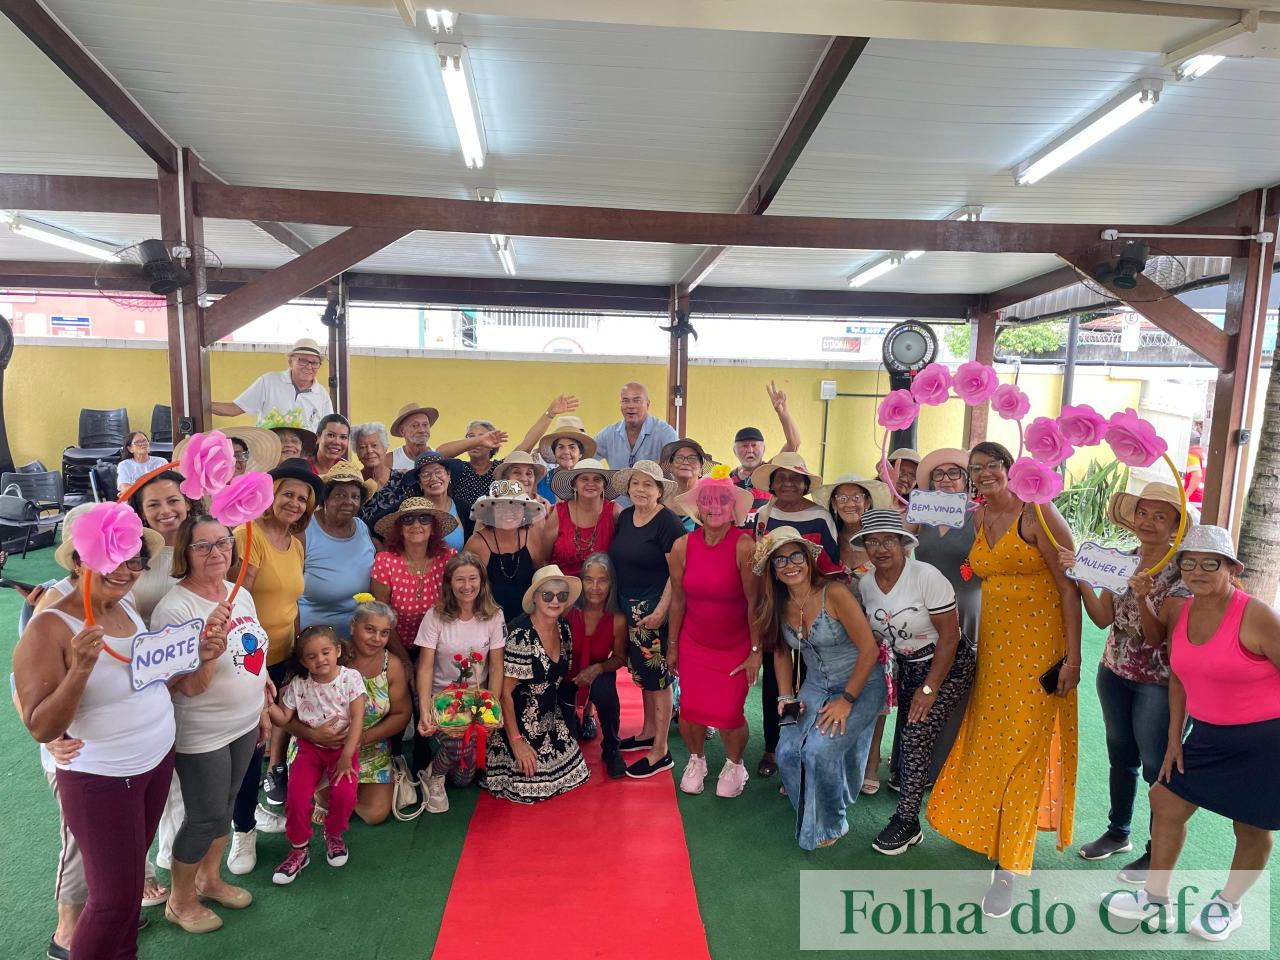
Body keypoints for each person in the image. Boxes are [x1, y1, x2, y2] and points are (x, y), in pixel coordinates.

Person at [926, 441, 1081, 919]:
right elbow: (969, 564)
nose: (984, 473)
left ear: (1012, 470)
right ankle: (988, 832)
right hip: (994, 651)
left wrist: (1072, 658)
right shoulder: (977, 517)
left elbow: (1068, 586)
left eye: (994, 466)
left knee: (1023, 753)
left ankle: (1009, 867)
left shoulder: (1038, 514)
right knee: (993, 743)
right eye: (977, 468)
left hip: (1039, 651)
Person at [1105, 525, 1280, 942]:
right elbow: (1179, 677)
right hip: (1206, 735)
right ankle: (1156, 900)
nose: (1198, 570)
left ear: (1231, 569)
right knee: (1165, 800)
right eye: (1189, 562)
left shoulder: (1256, 614)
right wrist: (1172, 739)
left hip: (1265, 740)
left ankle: (1229, 904)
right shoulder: (1179, 610)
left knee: (1252, 827)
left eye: (1210, 563)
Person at [13, 529, 175, 960]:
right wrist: (81, 667)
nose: (124, 572)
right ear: (80, 562)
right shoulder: (51, 624)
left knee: (124, 891)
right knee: (111, 901)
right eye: (112, 560)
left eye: (134, 561)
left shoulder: (124, 605)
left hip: (154, 762)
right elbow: (41, 726)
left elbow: (139, 680)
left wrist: (201, 654)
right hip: (102, 776)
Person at [1057, 481, 1187, 883]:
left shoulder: (1183, 574)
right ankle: (1119, 832)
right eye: (1143, 513)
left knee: (1155, 766)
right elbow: (1101, 617)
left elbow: (1155, 639)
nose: (1148, 522)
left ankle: (1156, 850)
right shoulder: (1122, 560)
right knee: (1121, 756)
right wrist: (1078, 573)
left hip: (1157, 681)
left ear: (1176, 526)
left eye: (1160, 516)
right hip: (1113, 670)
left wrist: (1146, 598)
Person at [150, 516, 272, 934]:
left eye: (222, 542)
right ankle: (180, 900)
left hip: (244, 720)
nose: (216, 552)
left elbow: (252, 651)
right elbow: (175, 687)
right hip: (201, 728)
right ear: (185, 553)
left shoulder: (239, 593)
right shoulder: (176, 607)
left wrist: (263, 701)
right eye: (202, 547)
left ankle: (210, 878)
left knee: (228, 801)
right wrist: (202, 654)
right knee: (203, 815)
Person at [754, 526, 887, 851]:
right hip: (814, 686)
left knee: (818, 751)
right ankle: (810, 810)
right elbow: (781, 652)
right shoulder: (777, 603)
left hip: (861, 685)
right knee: (786, 752)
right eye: (780, 560)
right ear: (772, 569)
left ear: (808, 559)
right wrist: (786, 697)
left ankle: (831, 820)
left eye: (795, 555)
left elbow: (869, 651)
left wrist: (847, 699)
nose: (789, 564)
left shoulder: (834, 593)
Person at [853, 510, 976, 856]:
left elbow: (950, 638)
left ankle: (907, 821)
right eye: (872, 541)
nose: (880, 548)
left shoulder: (926, 576)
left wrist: (929, 688)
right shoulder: (865, 584)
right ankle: (908, 803)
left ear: (904, 543)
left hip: (947, 663)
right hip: (908, 664)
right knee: (909, 735)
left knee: (916, 735)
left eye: (888, 540)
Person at [229, 458, 320, 864]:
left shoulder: (296, 543)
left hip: (283, 653)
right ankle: (241, 831)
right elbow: (236, 605)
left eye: (303, 499)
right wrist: (258, 665)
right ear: (270, 496)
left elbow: (291, 602)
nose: (295, 503)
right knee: (251, 745)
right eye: (288, 494)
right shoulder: (248, 535)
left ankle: (258, 811)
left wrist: (298, 648)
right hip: (250, 660)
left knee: (266, 739)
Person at [668, 469, 760, 797]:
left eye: (722, 499)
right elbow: (678, 600)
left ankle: (736, 765)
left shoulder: (744, 546)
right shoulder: (682, 545)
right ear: (698, 507)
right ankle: (697, 760)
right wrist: (673, 645)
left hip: (734, 645)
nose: (714, 506)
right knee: (691, 710)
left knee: (729, 713)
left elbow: (755, 604)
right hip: (694, 642)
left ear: (732, 506)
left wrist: (755, 651)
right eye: (707, 500)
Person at [751, 451, 840, 780]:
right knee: (776, 677)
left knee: (811, 677)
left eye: (794, 477)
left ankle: (806, 745)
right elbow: (757, 560)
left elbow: (830, 565)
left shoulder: (820, 516)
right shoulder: (763, 514)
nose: (787, 483)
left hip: (812, 605)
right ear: (772, 484)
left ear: (805, 483)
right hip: (774, 603)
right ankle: (773, 747)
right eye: (781, 477)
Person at [900, 447, 979, 790]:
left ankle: (945, 769)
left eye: (954, 473)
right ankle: (909, 764)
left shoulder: (979, 515)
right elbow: (899, 543)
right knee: (920, 679)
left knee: (957, 688)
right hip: (927, 608)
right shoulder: (922, 511)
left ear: (967, 480)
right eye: (939, 475)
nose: (946, 480)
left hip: (968, 609)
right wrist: (901, 507)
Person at [268, 626, 366, 885]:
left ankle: (334, 835)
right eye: (311, 656)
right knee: (297, 800)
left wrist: (347, 754)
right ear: (302, 661)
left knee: (345, 796)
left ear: (338, 651)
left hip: (343, 751)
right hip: (308, 750)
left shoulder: (351, 678)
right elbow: (283, 718)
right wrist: (264, 700)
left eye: (326, 652)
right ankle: (299, 848)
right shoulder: (298, 685)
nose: (320, 659)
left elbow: (358, 719)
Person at [607, 460, 686, 779]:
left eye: (648, 485)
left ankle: (661, 750)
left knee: (660, 678)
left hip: (655, 611)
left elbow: (676, 573)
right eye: (635, 484)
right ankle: (647, 732)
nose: (641, 489)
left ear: (659, 491)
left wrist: (661, 611)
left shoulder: (668, 522)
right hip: (630, 607)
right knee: (641, 674)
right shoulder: (626, 517)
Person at [485, 565, 590, 803]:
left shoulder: (563, 628)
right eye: (547, 595)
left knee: (575, 774)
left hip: (550, 717)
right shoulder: (520, 637)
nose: (555, 601)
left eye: (561, 596)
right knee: (537, 784)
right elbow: (504, 694)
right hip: (518, 725)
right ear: (535, 597)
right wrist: (516, 741)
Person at [415, 553, 506, 810]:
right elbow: (425, 666)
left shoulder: (494, 616)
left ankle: (438, 766)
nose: (467, 586)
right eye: (460, 580)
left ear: (482, 581)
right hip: (442, 700)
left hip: (476, 701)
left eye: (473, 579)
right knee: (457, 749)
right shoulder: (435, 616)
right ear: (449, 583)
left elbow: (497, 665)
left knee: (464, 778)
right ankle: (435, 776)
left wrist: (492, 706)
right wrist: (424, 710)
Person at [345, 600, 412, 825]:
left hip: (370, 744)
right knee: (330, 801)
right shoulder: (335, 656)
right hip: (329, 743)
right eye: (370, 629)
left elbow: (402, 714)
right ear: (354, 626)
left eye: (384, 633)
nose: (376, 639)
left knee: (375, 815)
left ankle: (346, 794)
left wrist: (362, 739)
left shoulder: (391, 665)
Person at [563, 552, 628, 778]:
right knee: (567, 743)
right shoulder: (569, 609)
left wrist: (598, 669)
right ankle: (571, 722)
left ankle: (611, 747)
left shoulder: (617, 619)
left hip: (597, 673)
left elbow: (620, 657)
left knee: (605, 689)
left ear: (611, 583)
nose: (595, 587)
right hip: (565, 676)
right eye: (589, 579)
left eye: (602, 580)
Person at [371, 497, 459, 651]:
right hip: (396, 647)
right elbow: (382, 618)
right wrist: (405, 661)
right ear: (399, 528)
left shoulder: (448, 559)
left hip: (441, 646)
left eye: (424, 518)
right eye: (408, 519)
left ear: (433, 527)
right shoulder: (385, 562)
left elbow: (456, 609)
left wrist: (428, 657)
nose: (416, 524)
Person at [298, 461, 377, 632]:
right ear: (325, 498)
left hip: (358, 636)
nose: (349, 502)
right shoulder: (305, 531)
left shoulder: (362, 528)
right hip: (315, 640)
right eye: (340, 495)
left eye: (355, 497)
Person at [464, 480, 549, 625]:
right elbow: (465, 587)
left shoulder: (533, 537)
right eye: (501, 506)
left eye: (516, 505)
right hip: (486, 621)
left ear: (524, 510)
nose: (509, 512)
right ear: (491, 511)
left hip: (528, 621)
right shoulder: (477, 543)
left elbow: (541, 578)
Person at [212, 338, 332, 430]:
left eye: (315, 363)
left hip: (304, 458)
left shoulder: (322, 395)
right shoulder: (269, 381)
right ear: (290, 362)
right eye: (303, 360)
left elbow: (328, 429)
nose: (309, 366)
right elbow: (235, 409)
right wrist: (201, 404)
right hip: (269, 453)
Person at [127, 470, 199, 622]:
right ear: (142, 512)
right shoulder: (129, 556)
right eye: (153, 505)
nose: (165, 511)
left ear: (187, 503)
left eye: (173, 501)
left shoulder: (207, 547)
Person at [729, 381, 803, 518]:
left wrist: (783, 414)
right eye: (744, 446)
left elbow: (794, 444)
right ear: (735, 451)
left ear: (763, 449)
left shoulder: (771, 470)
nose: (750, 450)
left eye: (754, 445)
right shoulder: (728, 479)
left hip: (767, 537)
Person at [541, 457, 620, 578]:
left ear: (604, 485)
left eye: (597, 479)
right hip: (564, 589)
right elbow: (544, 559)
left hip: (600, 589)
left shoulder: (614, 512)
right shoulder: (559, 512)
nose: (591, 484)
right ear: (574, 485)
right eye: (584, 479)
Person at [536, 414, 596, 503]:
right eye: (561, 447)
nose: (566, 452)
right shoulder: (541, 481)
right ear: (554, 452)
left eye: (572, 447)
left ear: (580, 454)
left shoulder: (592, 481)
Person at [662, 438, 715, 532]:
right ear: (670, 467)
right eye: (679, 458)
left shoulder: (713, 502)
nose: (685, 462)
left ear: (701, 470)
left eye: (692, 458)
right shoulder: (659, 500)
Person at [389, 402, 439, 471]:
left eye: (425, 425)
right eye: (415, 425)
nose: (422, 430)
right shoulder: (391, 460)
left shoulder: (438, 456)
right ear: (402, 431)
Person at [352, 422, 394, 490]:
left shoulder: (403, 480)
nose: (369, 451)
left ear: (385, 448)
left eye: (374, 445)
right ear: (357, 452)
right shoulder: (353, 484)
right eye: (362, 447)